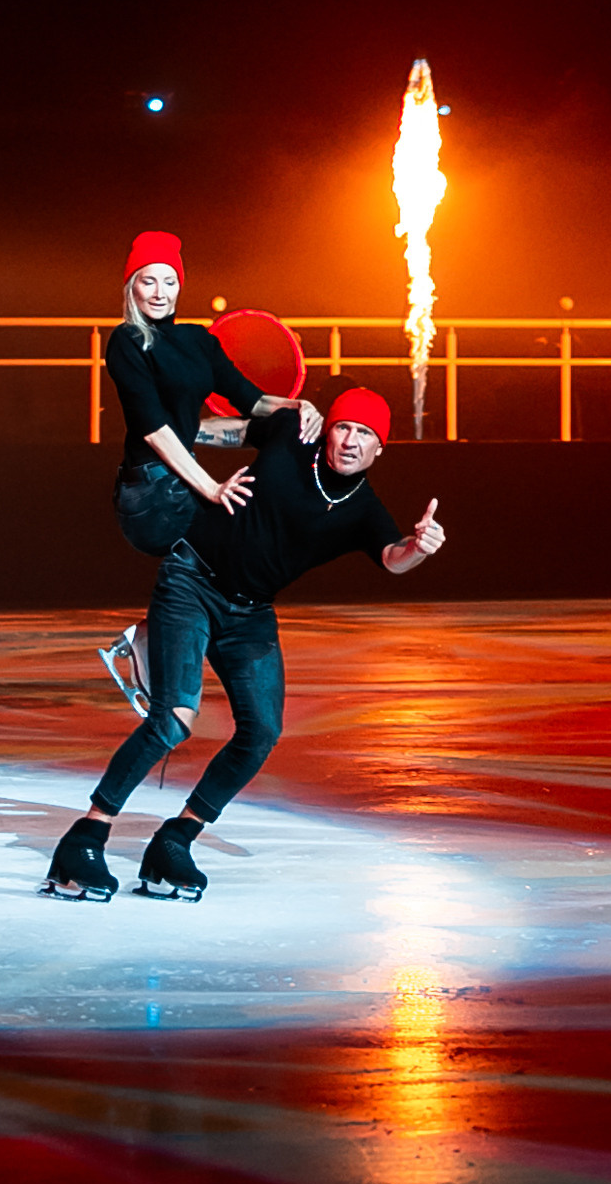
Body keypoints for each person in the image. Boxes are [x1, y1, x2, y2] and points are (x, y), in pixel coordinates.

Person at [44, 386, 447, 901]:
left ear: (379, 449)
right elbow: (213, 429)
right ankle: (85, 838)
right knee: (173, 719)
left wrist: (418, 547)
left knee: (262, 730)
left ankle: (174, 841)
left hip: (250, 612)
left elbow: (392, 558)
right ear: (329, 427)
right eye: (344, 426)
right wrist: (167, 430)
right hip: (192, 580)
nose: (350, 440)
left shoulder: (362, 509)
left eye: (365, 434)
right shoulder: (291, 436)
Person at [100, 232, 319, 700]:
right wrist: (212, 489)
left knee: (282, 434)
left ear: (180, 286)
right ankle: (152, 638)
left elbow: (253, 401)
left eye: (169, 281)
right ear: (131, 288)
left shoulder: (198, 341)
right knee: (235, 544)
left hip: (184, 482)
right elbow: (155, 431)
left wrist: (301, 406)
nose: (159, 292)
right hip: (149, 490)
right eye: (147, 281)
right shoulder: (125, 342)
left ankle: (151, 638)